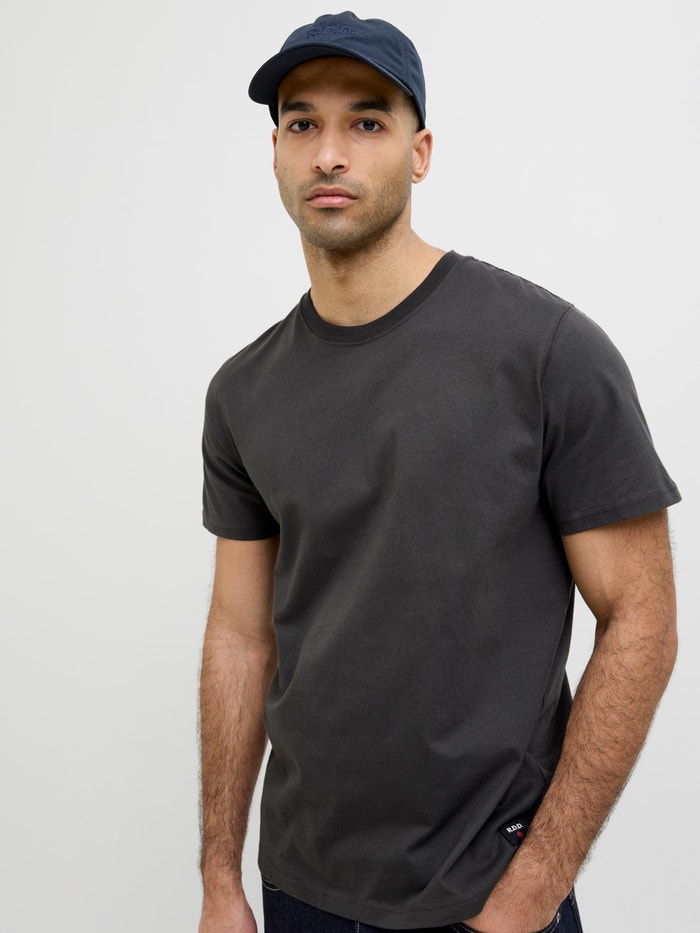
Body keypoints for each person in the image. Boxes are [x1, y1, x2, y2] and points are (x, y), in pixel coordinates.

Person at [197, 11, 681, 933]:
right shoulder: (244, 391)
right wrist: (221, 877)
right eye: (302, 123)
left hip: (485, 896)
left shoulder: (546, 352)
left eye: (366, 121)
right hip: (299, 887)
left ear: (419, 153)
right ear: (275, 154)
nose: (329, 152)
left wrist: (533, 888)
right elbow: (239, 635)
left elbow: (642, 619)